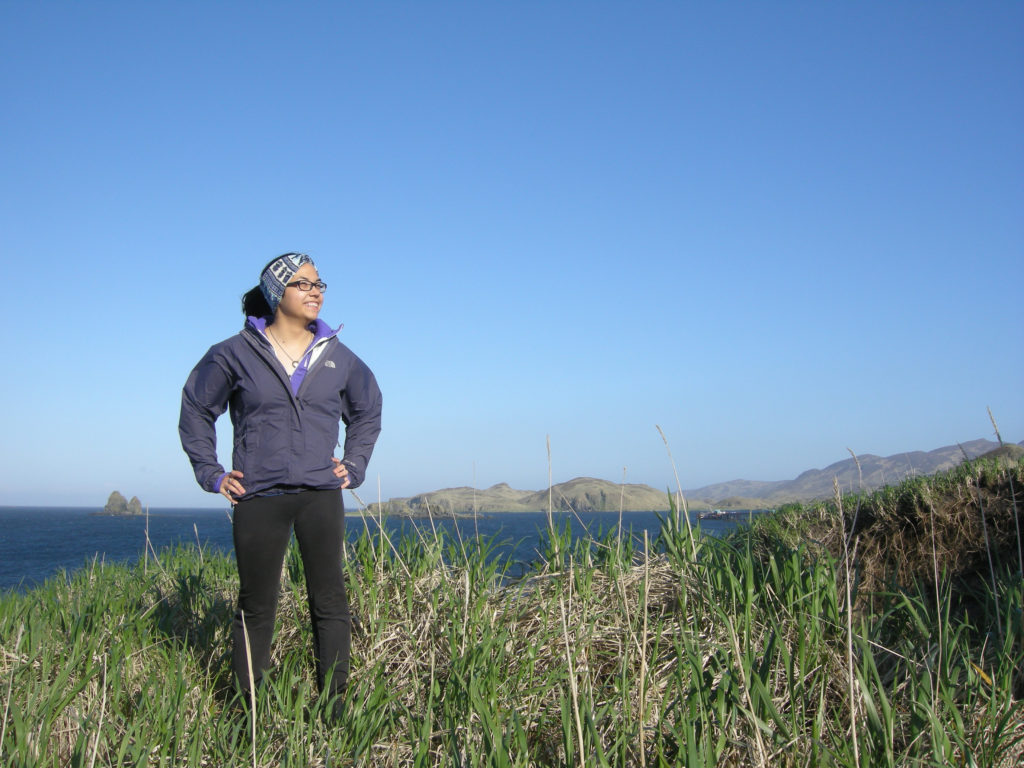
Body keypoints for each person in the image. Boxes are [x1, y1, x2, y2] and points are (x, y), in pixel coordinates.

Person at [178, 252, 382, 718]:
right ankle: (246, 717)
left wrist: (355, 463)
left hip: (320, 495)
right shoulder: (233, 353)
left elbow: (368, 410)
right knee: (255, 608)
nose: (316, 291)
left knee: (330, 602)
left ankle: (334, 712)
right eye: (304, 284)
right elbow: (195, 408)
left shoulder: (339, 357)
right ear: (277, 294)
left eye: (319, 284)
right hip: (259, 496)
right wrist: (210, 471)